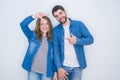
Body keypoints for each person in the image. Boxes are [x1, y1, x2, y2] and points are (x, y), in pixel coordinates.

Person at [52, 5, 94, 80]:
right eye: (56, 16)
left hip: (77, 67)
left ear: (64, 11)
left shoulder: (79, 24)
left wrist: (77, 41)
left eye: (60, 13)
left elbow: (90, 39)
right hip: (63, 67)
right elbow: (56, 51)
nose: (60, 17)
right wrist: (59, 68)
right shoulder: (55, 30)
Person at [20, 12, 57, 80]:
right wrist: (34, 16)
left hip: (47, 73)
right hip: (33, 71)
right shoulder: (32, 36)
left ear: (49, 25)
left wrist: (55, 72)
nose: (44, 26)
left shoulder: (53, 39)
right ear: (39, 26)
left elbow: (55, 57)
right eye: (42, 24)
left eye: (47, 24)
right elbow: (22, 25)